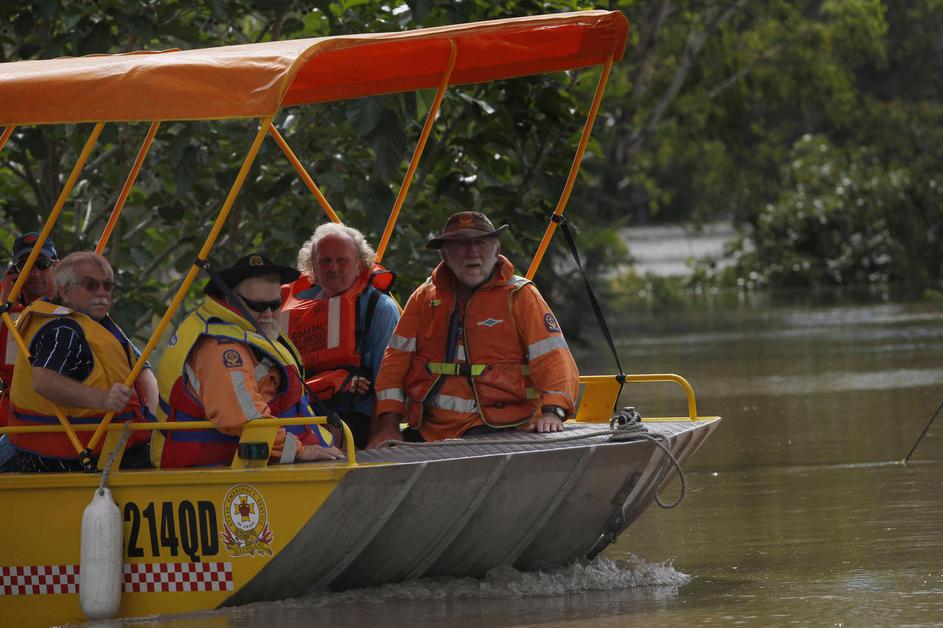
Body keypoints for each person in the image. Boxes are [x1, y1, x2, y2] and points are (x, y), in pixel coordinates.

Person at [369, 211, 579, 447]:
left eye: (481, 243)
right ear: (445, 254)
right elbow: (396, 362)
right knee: (372, 449)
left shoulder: (520, 296)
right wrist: (389, 425)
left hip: (504, 426)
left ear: (496, 250)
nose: (472, 253)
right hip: (430, 430)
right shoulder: (424, 297)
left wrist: (553, 412)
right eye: (461, 245)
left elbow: (553, 357)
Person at [154, 253, 344, 468]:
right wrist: (298, 451)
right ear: (230, 299)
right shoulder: (222, 348)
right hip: (224, 469)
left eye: (275, 304)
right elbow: (242, 416)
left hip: (275, 461)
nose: (268, 314)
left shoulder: (250, 333)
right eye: (257, 305)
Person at [9, 251, 158, 472]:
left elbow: (142, 368)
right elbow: (43, 380)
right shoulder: (63, 329)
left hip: (110, 445)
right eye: (90, 285)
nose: (102, 293)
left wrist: (151, 420)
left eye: (108, 286)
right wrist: (104, 399)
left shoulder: (97, 322)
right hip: (72, 457)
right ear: (65, 291)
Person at [280, 223, 399, 450]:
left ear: (359, 265)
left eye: (342, 260)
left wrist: (380, 437)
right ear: (313, 267)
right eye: (325, 261)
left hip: (356, 422)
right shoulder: (297, 309)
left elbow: (388, 381)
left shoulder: (380, 308)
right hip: (305, 417)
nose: (333, 268)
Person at [0, 232, 60, 471]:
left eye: (42, 264)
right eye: (25, 265)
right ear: (14, 271)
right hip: (12, 417)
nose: (34, 273)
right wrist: (3, 307)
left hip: (59, 417)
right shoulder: (4, 306)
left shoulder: (74, 303)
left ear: (56, 266)